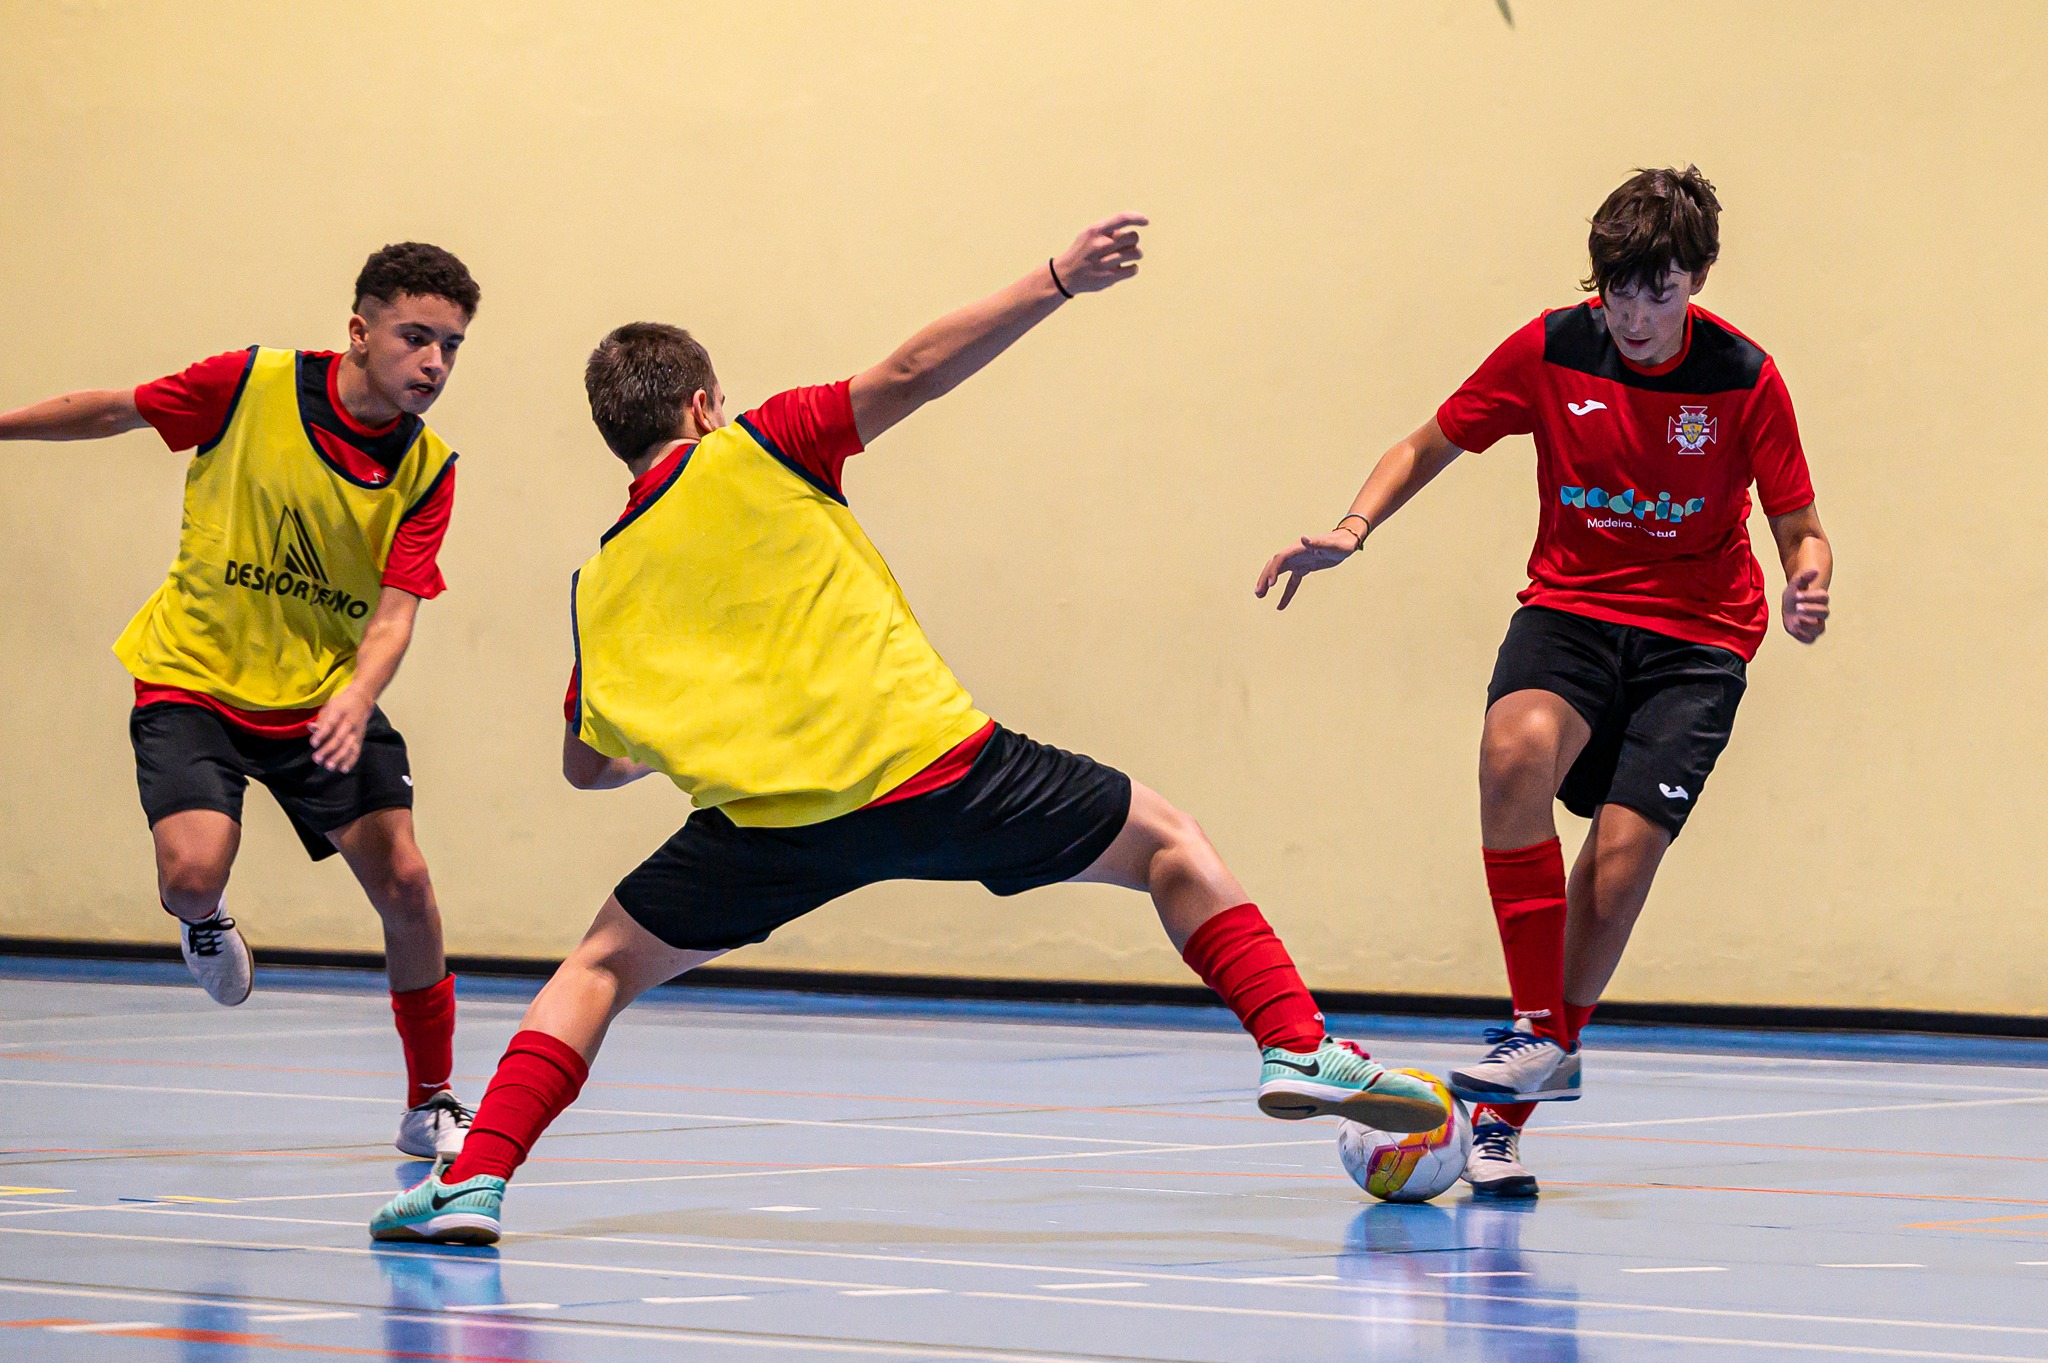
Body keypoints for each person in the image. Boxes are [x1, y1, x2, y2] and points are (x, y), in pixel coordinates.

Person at [369, 214, 1448, 1244]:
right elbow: (908, 373)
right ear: (701, 405)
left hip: (769, 828)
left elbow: (588, 762)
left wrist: (689, 719)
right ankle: (1296, 1047)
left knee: (599, 963)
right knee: (1169, 843)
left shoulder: (600, 577)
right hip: (936, 772)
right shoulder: (759, 445)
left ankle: (473, 1179)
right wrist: (1055, 279)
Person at [1254, 168, 1832, 1198]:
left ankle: (1499, 1120)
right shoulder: (1550, 347)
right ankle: (1535, 1033)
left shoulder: (1744, 377)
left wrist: (1806, 580)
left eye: (1660, 292)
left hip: (1695, 640)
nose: (1637, 315)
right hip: (1569, 609)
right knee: (1512, 750)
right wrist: (1350, 528)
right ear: (1597, 283)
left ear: (1694, 280)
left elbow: (1797, 520)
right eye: (1619, 291)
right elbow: (1427, 441)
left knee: (1613, 872)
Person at [0, 243, 483, 1159]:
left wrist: (359, 694)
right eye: (416, 337)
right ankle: (205, 924)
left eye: (452, 347)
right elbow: (115, 408)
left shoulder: (430, 469)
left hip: (320, 706)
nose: (434, 363)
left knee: (409, 884)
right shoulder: (249, 385)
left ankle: (431, 1102)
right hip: (194, 678)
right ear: (359, 330)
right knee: (189, 874)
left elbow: (394, 612)